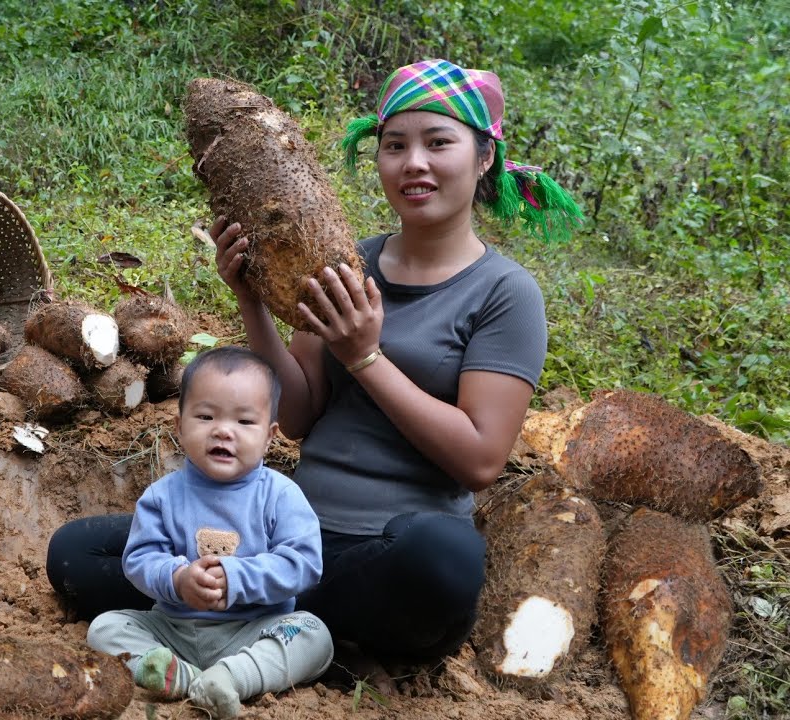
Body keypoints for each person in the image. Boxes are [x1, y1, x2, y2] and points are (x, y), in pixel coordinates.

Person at [48, 58, 581, 674]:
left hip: (382, 555)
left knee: (443, 559)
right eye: (395, 145)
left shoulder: (505, 293)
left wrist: (366, 358)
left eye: (439, 143)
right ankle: (283, 629)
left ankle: (255, 622)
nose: (414, 163)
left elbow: (480, 460)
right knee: (77, 552)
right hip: (280, 540)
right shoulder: (343, 261)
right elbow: (298, 414)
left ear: (485, 157)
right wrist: (251, 299)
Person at [86, 346, 333, 719]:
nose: (223, 430)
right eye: (205, 416)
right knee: (104, 628)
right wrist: (178, 578)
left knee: (313, 633)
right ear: (179, 426)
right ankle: (182, 676)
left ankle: (232, 677)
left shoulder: (281, 495)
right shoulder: (161, 496)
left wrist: (236, 578)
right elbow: (140, 559)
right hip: (174, 628)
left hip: (253, 629)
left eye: (244, 421)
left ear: (270, 436)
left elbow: (303, 564)